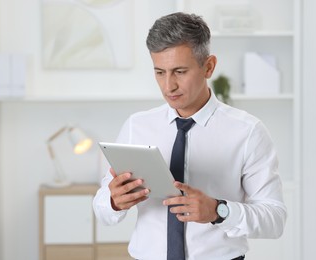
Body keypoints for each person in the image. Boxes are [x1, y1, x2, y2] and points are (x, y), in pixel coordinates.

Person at [93, 12, 287, 260]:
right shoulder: (136, 126)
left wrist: (219, 210)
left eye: (180, 72)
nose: (168, 86)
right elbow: (101, 210)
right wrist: (113, 201)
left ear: (209, 66)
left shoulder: (248, 132)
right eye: (160, 72)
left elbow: (275, 219)